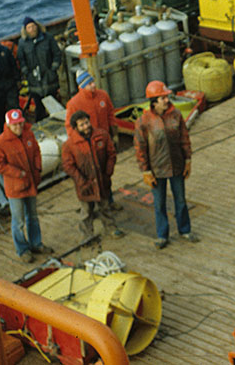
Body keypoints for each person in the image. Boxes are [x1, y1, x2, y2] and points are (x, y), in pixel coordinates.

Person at [134, 80, 198, 249]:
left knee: (181, 200)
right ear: (154, 101)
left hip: (177, 166)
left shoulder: (176, 115)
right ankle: (162, 235)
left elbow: (184, 138)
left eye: (167, 97)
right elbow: (140, 148)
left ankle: (185, 230)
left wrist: (188, 160)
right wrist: (145, 170)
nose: (167, 100)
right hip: (156, 170)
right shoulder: (144, 121)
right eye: (163, 98)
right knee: (159, 204)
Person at [0, 109, 52, 262]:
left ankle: (36, 244)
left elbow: (36, 151)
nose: (18, 127)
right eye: (15, 125)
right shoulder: (0, 143)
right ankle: (22, 250)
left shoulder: (28, 134)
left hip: (31, 183)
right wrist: (17, 173)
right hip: (15, 188)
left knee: (33, 216)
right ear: (8, 125)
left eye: (20, 124)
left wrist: (38, 168)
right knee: (18, 221)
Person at [65, 69, 121, 211]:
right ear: (81, 87)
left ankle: (109, 201)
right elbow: (69, 127)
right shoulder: (74, 103)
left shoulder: (103, 96)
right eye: (89, 84)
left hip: (103, 143)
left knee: (106, 174)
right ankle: (90, 207)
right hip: (87, 147)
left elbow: (110, 114)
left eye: (93, 82)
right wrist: (79, 145)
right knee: (88, 177)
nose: (93, 85)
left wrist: (114, 134)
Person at [62, 110, 124, 239]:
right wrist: (81, 181)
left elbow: (111, 154)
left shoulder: (102, 135)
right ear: (75, 128)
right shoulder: (69, 145)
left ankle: (111, 228)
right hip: (84, 185)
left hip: (102, 180)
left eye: (86, 122)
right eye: (82, 125)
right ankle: (87, 235)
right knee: (86, 211)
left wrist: (107, 173)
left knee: (105, 206)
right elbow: (68, 166)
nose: (86, 126)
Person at [17, 16, 62, 120]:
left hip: (49, 78)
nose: (32, 29)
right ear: (25, 30)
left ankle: (57, 121)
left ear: (37, 26)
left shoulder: (48, 38)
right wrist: (25, 71)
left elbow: (57, 53)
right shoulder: (22, 43)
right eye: (29, 27)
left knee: (53, 103)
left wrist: (54, 67)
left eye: (33, 26)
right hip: (34, 81)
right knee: (39, 106)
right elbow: (21, 59)